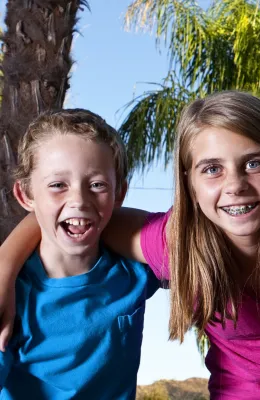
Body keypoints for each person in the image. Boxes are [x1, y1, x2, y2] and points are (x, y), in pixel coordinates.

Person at [0, 91, 260, 399]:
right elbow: (69, 216)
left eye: (254, 164)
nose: (235, 185)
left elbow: (82, 213)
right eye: (212, 169)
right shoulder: (173, 244)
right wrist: (4, 268)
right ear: (189, 184)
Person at [0, 109, 159, 399]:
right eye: (58, 185)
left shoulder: (136, 270)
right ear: (26, 195)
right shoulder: (11, 297)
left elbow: (194, 244)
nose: (79, 200)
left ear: (119, 194)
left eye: (97, 185)